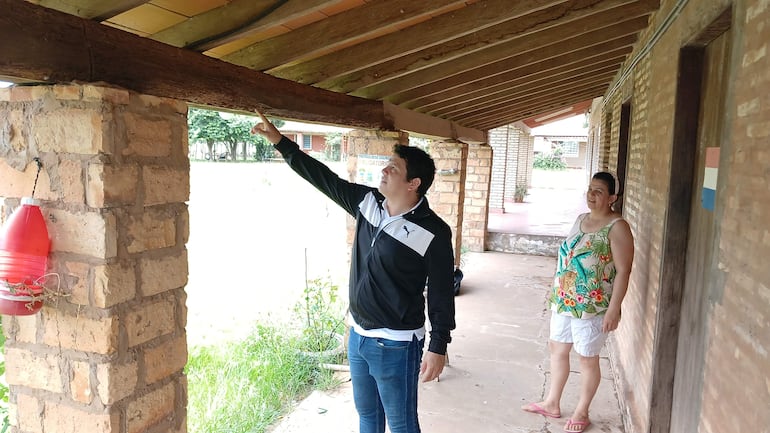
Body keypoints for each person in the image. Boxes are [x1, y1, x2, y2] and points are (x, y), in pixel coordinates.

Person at [251, 112, 456, 433]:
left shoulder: (433, 231)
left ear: (413, 183)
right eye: (387, 163)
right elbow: (324, 178)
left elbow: (443, 292)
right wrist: (281, 143)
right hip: (358, 336)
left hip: (397, 344)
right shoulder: (368, 202)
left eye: (394, 167)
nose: (384, 170)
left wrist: (438, 345)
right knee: (368, 418)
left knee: (402, 425)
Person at [521, 171, 634, 433]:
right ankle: (551, 402)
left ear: (612, 198)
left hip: (592, 306)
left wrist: (615, 308)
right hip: (564, 300)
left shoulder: (618, 227)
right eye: (590, 189)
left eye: (599, 191)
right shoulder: (581, 219)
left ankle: (582, 411)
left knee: (587, 358)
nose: (591, 195)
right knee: (557, 350)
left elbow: (624, 271)